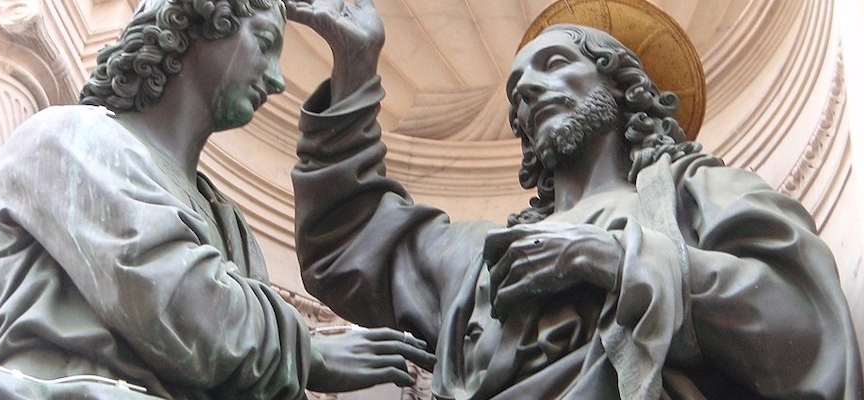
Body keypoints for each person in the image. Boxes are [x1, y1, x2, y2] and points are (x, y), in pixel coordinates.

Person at [287, 0, 864, 399]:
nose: (530, 91)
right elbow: (348, 238)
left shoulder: (700, 194)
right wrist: (355, 67)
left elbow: (806, 332)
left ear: (621, 83)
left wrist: (615, 259)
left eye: (555, 64)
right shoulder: (481, 258)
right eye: (517, 91)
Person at [0, 0, 435, 398]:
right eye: (265, 42)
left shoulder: (229, 222)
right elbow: (166, 295)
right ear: (200, 22)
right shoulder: (68, 139)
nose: (277, 81)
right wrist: (309, 352)